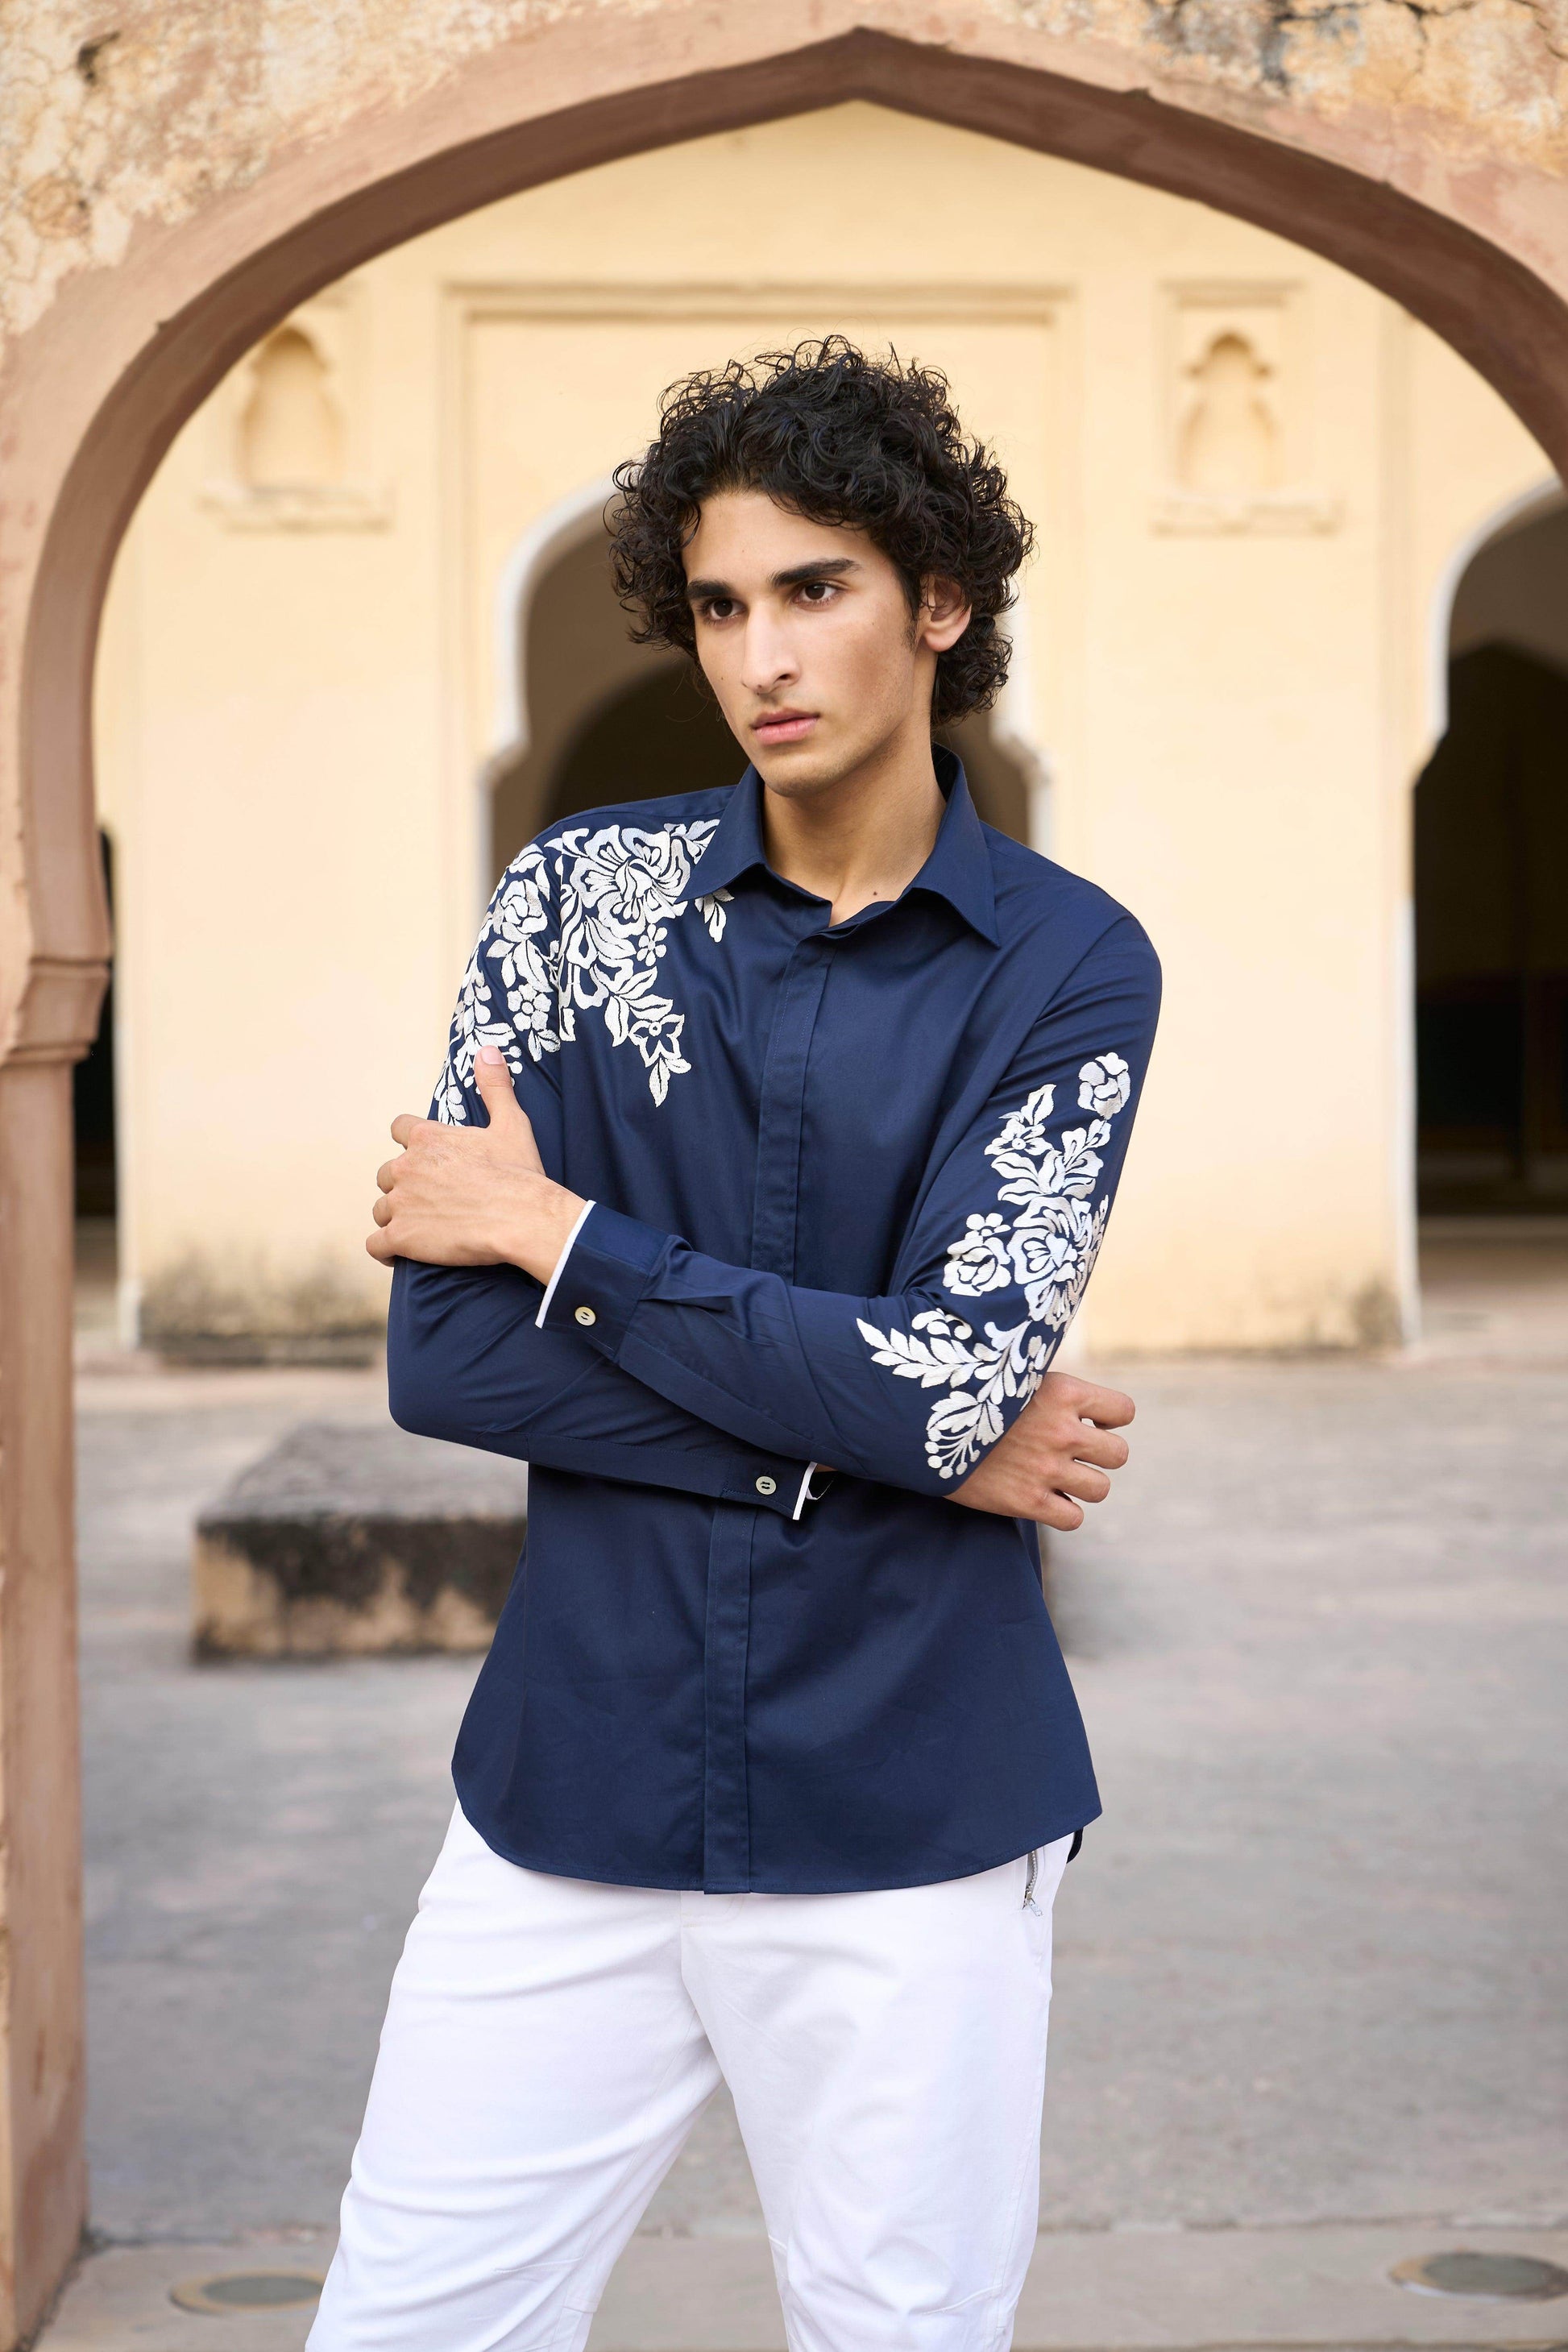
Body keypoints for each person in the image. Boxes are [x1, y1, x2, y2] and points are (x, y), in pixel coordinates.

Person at [320, 338, 1161, 2352]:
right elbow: (448, 1360)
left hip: (911, 1804)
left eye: (813, 588)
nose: (759, 654)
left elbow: (949, 1382)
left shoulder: (1068, 961)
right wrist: (886, 1433)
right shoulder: (570, 905)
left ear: (935, 600)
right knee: (407, 2325)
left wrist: (560, 1233)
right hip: (570, 1785)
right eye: (716, 604)